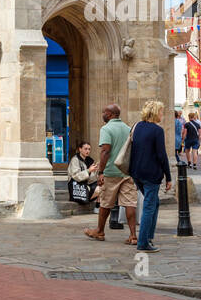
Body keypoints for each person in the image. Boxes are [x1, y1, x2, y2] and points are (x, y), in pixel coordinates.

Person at [84, 104, 139, 245]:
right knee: (129, 203)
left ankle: (100, 231)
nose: (102, 114)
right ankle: (133, 236)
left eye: (104, 112)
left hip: (111, 171)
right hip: (126, 172)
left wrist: (101, 171)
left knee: (106, 203)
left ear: (109, 114)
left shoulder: (106, 129)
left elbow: (105, 151)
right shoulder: (128, 129)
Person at [129, 100, 173, 252]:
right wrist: (168, 176)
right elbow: (162, 155)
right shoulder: (157, 130)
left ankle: (148, 236)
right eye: (161, 112)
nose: (162, 115)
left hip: (136, 172)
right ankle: (143, 242)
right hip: (150, 173)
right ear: (155, 113)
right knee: (149, 206)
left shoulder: (137, 126)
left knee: (154, 203)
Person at [67, 141, 98, 206]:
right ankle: (90, 201)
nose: (88, 151)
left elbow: (92, 179)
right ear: (80, 149)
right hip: (76, 186)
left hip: (86, 185)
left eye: (89, 149)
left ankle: (96, 204)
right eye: (85, 149)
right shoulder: (75, 160)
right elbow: (76, 176)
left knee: (102, 185)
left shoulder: (90, 160)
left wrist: (97, 171)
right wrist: (88, 171)